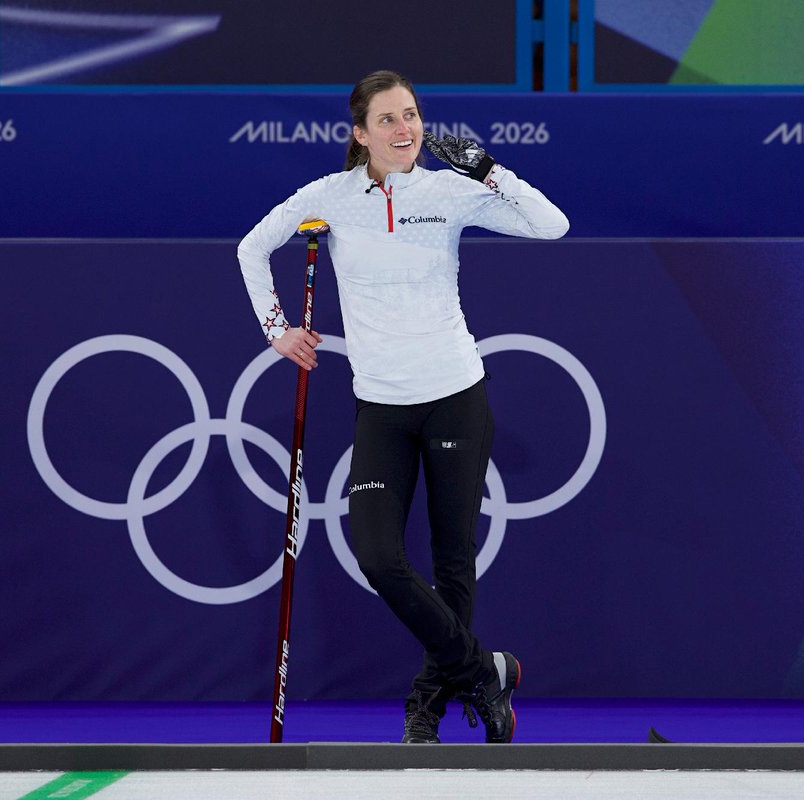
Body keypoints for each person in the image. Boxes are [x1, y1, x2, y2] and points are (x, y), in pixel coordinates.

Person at [237, 70, 569, 744]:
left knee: (454, 562)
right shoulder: (330, 197)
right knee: (378, 557)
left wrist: (487, 168)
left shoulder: (447, 191)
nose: (404, 130)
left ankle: (427, 706)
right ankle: (483, 671)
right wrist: (277, 330)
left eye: (411, 115)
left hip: (455, 395)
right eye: (387, 120)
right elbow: (251, 247)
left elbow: (551, 226)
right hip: (383, 407)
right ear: (360, 133)